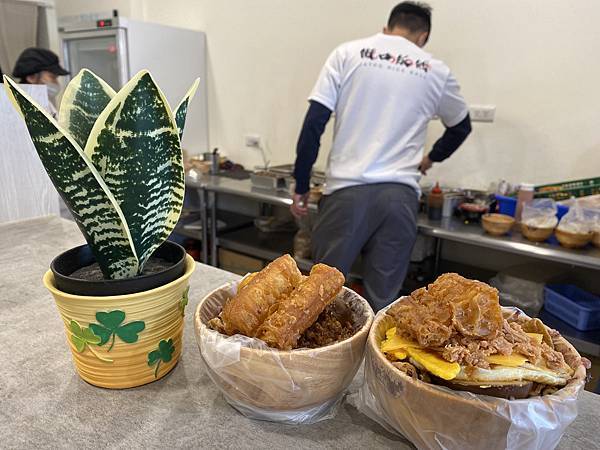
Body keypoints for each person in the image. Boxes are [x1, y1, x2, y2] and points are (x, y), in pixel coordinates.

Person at [290, 2, 472, 311]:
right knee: (383, 304)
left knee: (319, 298)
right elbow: (462, 126)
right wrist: (430, 159)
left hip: (346, 195)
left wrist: (302, 183)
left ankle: (316, 358)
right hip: (399, 199)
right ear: (423, 36)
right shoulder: (435, 70)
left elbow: (314, 123)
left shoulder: (348, 54)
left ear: (387, 27)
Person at [12, 47, 69, 116]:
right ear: (31, 77)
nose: (56, 83)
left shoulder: (44, 103)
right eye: (52, 77)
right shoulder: (16, 107)